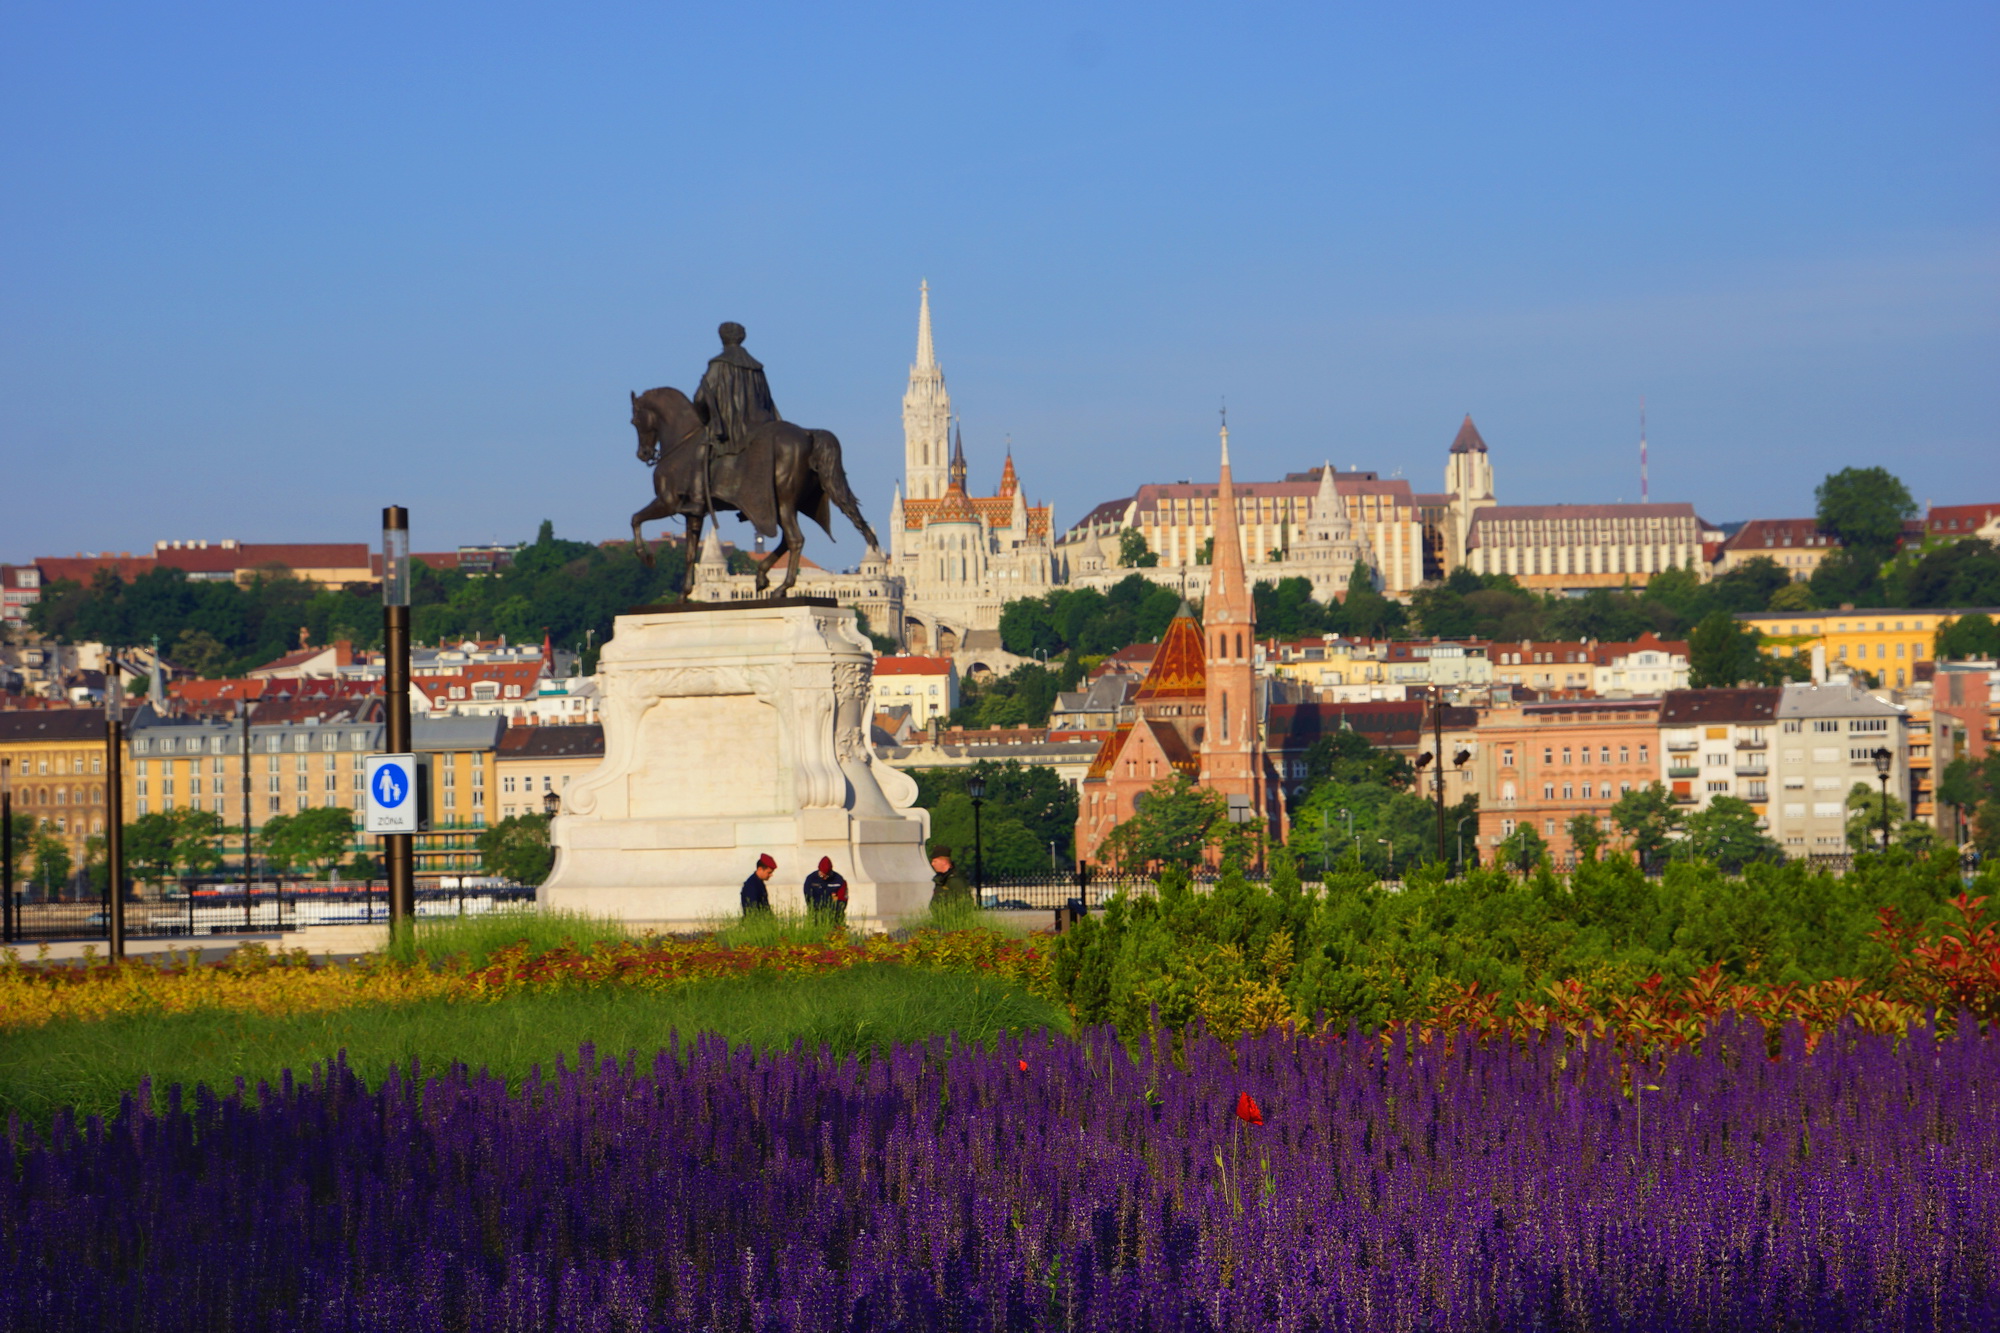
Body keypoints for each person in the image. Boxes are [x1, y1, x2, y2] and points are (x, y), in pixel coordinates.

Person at [692, 322, 780, 461]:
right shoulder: (756, 368)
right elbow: (768, 402)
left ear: (722, 338)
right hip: (761, 426)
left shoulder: (718, 364)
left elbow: (699, 399)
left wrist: (704, 421)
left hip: (731, 432)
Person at [803, 855, 848, 923]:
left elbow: (842, 898)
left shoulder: (839, 880)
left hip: (835, 915)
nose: (824, 878)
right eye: (822, 875)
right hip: (816, 914)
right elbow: (808, 896)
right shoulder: (811, 879)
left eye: (827, 876)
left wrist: (836, 911)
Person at [928, 845, 970, 909]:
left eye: (935, 861)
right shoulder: (940, 879)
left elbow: (964, 903)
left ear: (944, 862)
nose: (932, 864)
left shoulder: (955, 880)